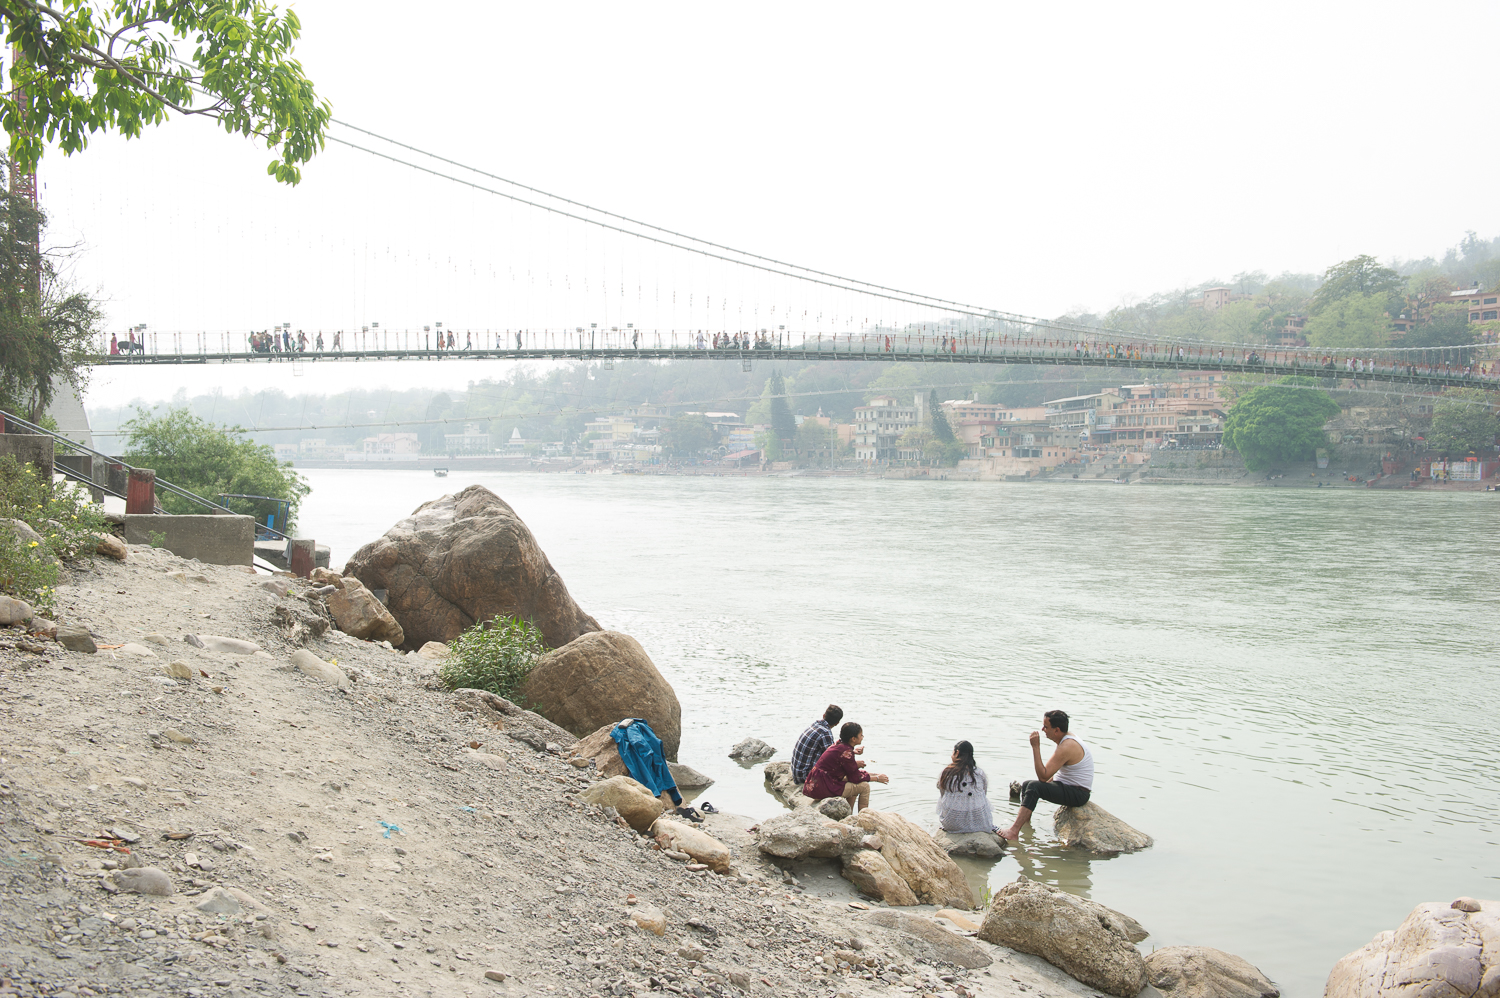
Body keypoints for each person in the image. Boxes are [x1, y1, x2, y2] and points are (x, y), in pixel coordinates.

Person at [999, 710, 1093, 841]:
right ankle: (1025, 826)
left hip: (1078, 793)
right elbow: (1062, 772)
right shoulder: (1066, 739)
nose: (1043, 729)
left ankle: (1014, 831)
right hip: (1068, 786)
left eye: (1046, 727)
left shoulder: (1067, 745)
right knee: (1027, 785)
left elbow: (1042, 776)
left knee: (1034, 787)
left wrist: (1035, 747)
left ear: (1057, 730)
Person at [803, 722, 887, 813]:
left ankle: (848, 814)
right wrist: (877, 778)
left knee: (854, 783)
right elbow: (856, 777)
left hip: (816, 783)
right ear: (853, 739)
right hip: (824, 786)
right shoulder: (847, 753)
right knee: (864, 787)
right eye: (861, 735)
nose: (862, 737)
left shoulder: (839, 744)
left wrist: (853, 752)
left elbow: (847, 765)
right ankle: (864, 815)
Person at [936, 740, 997, 835]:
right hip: (980, 824)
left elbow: (943, 794)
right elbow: (984, 794)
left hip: (951, 824)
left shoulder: (947, 772)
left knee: (944, 798)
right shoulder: (980, 773)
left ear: (957, 753)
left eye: (953, 752)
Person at [791, 704, 845, 784]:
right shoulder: (825, 732)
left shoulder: (816, 724)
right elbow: (833, 757)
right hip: (805, 776)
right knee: (842, 773)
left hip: (797, 772)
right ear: (837, 723)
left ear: (824, 715)